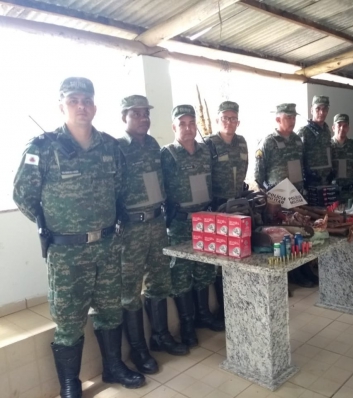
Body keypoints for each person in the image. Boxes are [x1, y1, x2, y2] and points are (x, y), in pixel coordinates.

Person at [13, 77, 144, 397]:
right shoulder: (42, 148)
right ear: (62, 106)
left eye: (86, 100)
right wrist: (54, 226)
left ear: (95, 107)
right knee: (69, 320)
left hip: (106, 246)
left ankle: (113, 366)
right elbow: (23, 196)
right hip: (66, 253)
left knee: (110, 310)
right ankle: (70, 382)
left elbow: (123, 189)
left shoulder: (111, 147)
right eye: (73, 100)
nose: (81, 105)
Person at [117, 95, 189, 375]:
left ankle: (160, 336)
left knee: (160, 281)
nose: (143, 119)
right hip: (131, 229)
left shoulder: (153, 145)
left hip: (157, 224)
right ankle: (138, 349)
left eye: (145, 114)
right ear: (124, 117)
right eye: (136, 114)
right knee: (130, 290)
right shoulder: (117, 148)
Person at [161, 104, 224, 348]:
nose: (188, 128)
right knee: (180, 272)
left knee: (204, 268)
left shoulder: (205, 151)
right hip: (179, 223)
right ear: (174, 126)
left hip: (204, 220)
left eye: (191, 123)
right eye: (182, 123)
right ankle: (187, 324)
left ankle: (203, 316)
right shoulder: (167, 154)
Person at [254, 103, 313, 287]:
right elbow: (258, 175)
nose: (292, 120)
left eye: (294, 117)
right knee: (285, 236)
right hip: (278, 196)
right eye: (288, 117)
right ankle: (292, 275)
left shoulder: (297, 140)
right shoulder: (268, 142)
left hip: (296, 194)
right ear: (278, 119)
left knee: (301, 233)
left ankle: (304, 270)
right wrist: (271, 199)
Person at [205, 100, 248, 323]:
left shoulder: (241, 142)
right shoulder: (209, 144)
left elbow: (245, 170)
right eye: (225, 118)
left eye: (233, 118)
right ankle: (223, 310)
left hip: (239, 206)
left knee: (239, 256)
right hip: (218, 207)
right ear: (217, 120)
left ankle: (239, 304)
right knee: (221, 260)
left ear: (238, 121)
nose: (229, 122)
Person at [297, 95, 334, 188]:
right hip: (311, 183)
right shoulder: (304, 132)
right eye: (318, 109)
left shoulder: (327, 131)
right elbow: (298, 158)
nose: (321, 112)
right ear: (311, 110)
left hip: (327, 182)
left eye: (324, 109)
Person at [331, 113, 353, 202]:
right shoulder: (328, 145)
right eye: (339, 125)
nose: (342, 128)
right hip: (332, 193)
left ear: (348, 128)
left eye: (345, 126)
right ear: (333, 127)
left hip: (349, 192)